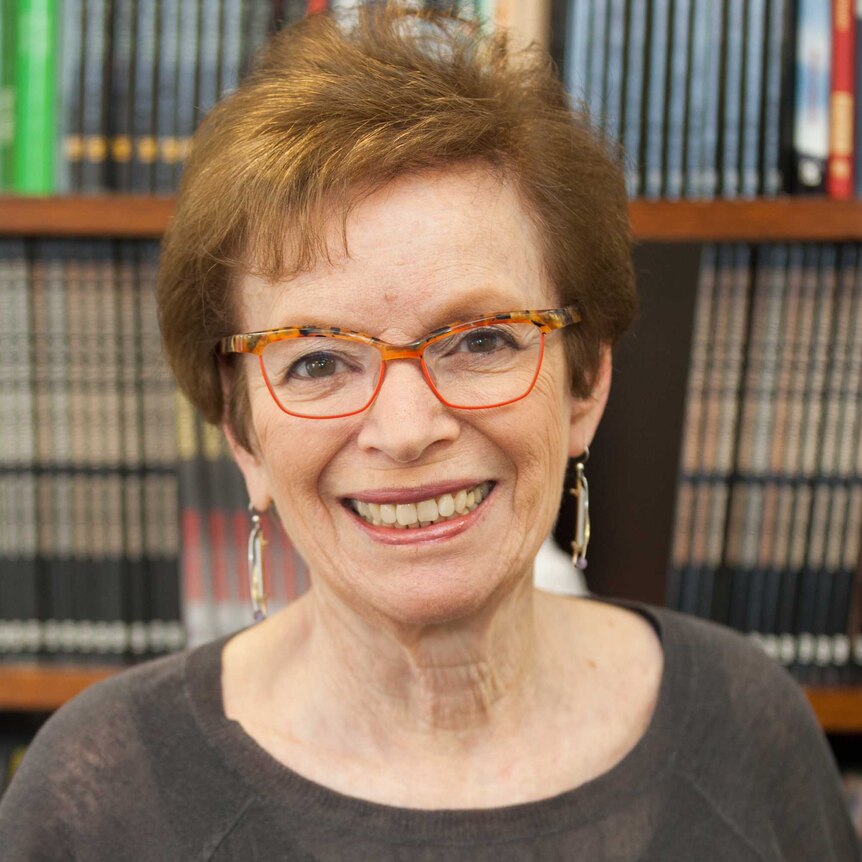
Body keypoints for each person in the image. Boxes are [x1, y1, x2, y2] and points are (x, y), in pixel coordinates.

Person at [0, 7, 858, 860]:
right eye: (317, 362)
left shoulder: (750, 724)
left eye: (482, 339)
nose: (407, 430)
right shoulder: (98, 795)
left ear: (586, 383)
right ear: (243, 434)